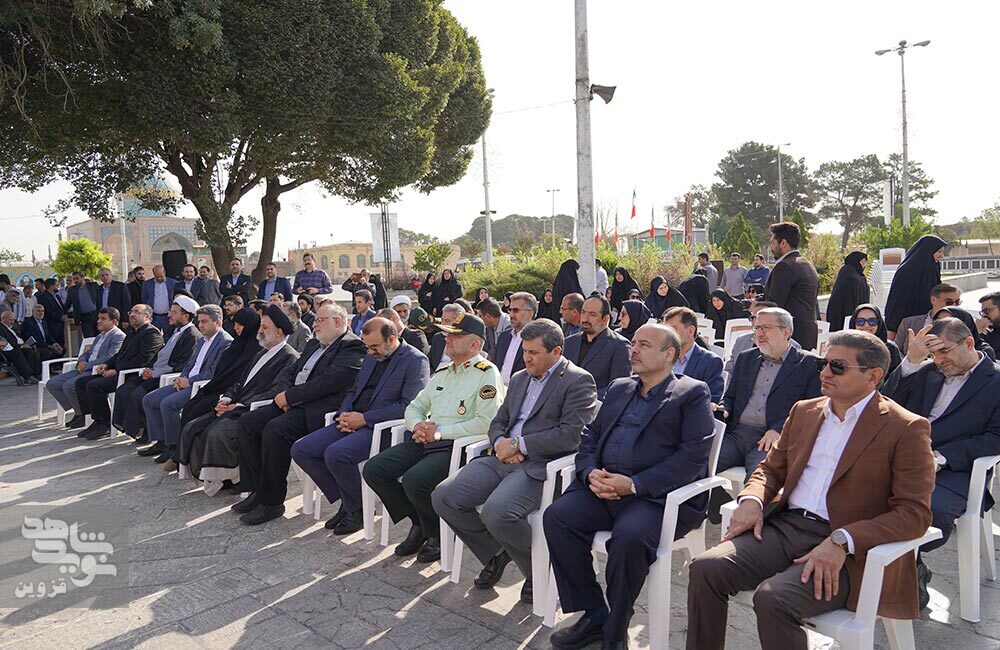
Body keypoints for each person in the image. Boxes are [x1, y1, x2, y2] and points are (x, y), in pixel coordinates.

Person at [687, 329, 935, 650]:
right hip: (786, 528)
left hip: (849, 550)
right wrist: (751, 499)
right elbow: (770, 469)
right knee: (706, 568)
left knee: (774, 599)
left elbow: (914, 514)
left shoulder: (906, 427)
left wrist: (842, 540)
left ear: (873, 376)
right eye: (823, 363)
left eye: (838, 367)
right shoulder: (805, 410)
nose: (825, 372)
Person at [544, 324, 716, 650]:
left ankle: (616, 629)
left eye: (644, 344)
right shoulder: (620, 387)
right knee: (557, 517)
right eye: (633, 343)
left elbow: (693, 457)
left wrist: (635, 485)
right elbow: (590, 436)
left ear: (669, 354)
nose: (633, 349)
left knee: (629, 539)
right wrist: (589, 473)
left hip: (655, 497)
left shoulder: (691, 393)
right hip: (603, 486)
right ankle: (596, 614)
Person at [433, 319, 598, 603]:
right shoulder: (521, 378)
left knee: (497, 513)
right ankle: (498, 552)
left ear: (556, 352)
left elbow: (571, 435)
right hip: (501, 457)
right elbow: (499, 420)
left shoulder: (578, 380)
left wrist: (519, 445)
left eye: (534, 352)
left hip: (540, 465)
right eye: (524, 351)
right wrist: (500, 442)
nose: (527, 358)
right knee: (444, 496)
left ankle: (538, 569)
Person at [362, 313, 504, 563]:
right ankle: (421, 523)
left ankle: (436, 535)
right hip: (426, 440)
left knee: (415, 480)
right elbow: (415, 407)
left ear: (474, 344)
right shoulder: (444, 372)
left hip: (457, 447)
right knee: (375, 470)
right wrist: (417, 425)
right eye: (447, 333)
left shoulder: (486, 373)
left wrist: (439, 432)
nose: (446, 338)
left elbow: (486, 423)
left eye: (455, 335)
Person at [882, 317, 1000, 609]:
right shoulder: (926, 372)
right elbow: (884, 405)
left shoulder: (996, 381)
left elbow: (995, 438)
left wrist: (942, 458)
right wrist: (911, 361)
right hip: (903, 459)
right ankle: (904, 568)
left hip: (955, 469)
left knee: (926, 509)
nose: (938, 360)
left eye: (944, 351)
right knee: (856, 492)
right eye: (932, 353)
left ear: (968, 342)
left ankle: (903, 567)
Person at [292, 317, 430, 533]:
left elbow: (409, 406)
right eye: (367, 347)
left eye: (375, 347)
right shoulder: (370, 356)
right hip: (353, 421)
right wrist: (345, 414)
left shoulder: (415, 360)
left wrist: (365, 419)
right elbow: (353, 391)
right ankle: (350, 502)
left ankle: (355, 509)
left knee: (336, 454)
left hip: (382, 428)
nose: (370, 352)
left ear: (392, 339)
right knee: (302, 449)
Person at [233, 304, 366, 525]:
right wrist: (285, 394)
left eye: (320, 320)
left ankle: (272, 502)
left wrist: (291, 397)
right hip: (292, 402)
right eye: (316, 320)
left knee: (275, 430)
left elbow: (327, 383)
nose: (315, 323)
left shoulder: (352, 347)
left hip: (315, 408)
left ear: (338, 322)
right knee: (248, 422)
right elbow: (290, 371)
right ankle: (257, 490)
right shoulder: (314, 343)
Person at [178, 308, 299, 490]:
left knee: (216, 433)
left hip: (253, 410)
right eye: (261, 326)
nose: (260, 331)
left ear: (279, 332)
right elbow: (239, 383)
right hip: (235, 406)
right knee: (192, 427)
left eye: (265, 327)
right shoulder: (260, 353)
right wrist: (226, 399)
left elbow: (276, 391)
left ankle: (233, 479)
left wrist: (239, 405)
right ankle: (222, 478)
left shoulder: (290, 357)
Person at [717, 307, 820, 481]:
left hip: (771, 439)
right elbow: (730, 397)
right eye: (757, 327)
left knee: (759, 480)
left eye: (766, 328)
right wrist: (723, 408)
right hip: (736, 435)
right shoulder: (746, 358)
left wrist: (779, 429)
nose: (759, 333)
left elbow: (812, 410)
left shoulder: (808, 363)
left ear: (786, 331)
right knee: (696, 466)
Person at [137, 304, 232, 468]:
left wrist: (189, 381)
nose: (200, 325)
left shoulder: (225, 342)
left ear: (218, 322)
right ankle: (161, 441)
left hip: (201, 387)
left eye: (204, 322)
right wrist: (181, 378)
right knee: (149, 399)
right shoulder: (202, 340)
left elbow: (213, 372)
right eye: (199, 322)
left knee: (168, 404)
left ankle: (174, 447)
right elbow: (190, 364)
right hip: (187, 382)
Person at [112, 296, 200, 441]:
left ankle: (146, 433)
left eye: (174, 312)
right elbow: (160, 354)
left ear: (185, 316)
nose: (169, 315)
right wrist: (149, 369)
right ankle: (130, 428)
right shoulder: (173, 330)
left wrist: (155, 373)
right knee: (124, 389)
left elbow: (180, 364)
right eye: (170, 311)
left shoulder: (191, 335)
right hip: (155, 372)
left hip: (166, 376)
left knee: (138, 395)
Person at [74, 304, 165, 441]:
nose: (132, 314)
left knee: (94, 386)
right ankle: (98, 420)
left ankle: (105, 424)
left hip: (132, 375)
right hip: (119, 372)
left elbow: (143, 360)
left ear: (147, 317)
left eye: (136, 312)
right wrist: (107, 364)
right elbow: (120, 354)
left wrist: (116, 371)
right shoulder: (131, 331)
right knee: (81, 383)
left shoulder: (152, 334)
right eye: (131, 311)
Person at [177, 308, 261, 439]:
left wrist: (226, 397)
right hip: (218, 388)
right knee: (190, 406)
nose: (236, 328)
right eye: (235, 324)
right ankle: (180, 449)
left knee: (197, 414)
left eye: (240, 325)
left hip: (232, 395)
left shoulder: (256, 350)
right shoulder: (236, 344)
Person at [51, 308, 126, 427]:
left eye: (103, 318)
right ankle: (79, 410)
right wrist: (81, 361)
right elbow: (88, 352)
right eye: (99, 318)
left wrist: (86, 366)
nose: (99, 321)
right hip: (84, 368)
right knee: (53, 384)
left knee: (69, 386)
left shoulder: (118, 336)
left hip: (95, 370)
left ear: (113, 321)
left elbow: (109, 357)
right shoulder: (100, 336)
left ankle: (83, 414)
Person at [563, 295, 632, 400]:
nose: (585, 319)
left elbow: (620, 387)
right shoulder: (569, 342)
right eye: (583, 312)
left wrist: (585, 398)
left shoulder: (620, 346)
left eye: (592, 314)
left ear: (605, 319)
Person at [765, 221, 820, 350]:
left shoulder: (785, 266)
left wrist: (757, 307)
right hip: (808, 334)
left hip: (790, 336)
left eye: (773, 243)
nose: (771, 248)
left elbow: (775, 306)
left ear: (783, 243)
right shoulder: (808, 265)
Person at [884, 234, 948, 338]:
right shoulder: (908, 270)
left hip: (928, 323)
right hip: (908, 327)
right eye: (939, 251)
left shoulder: (932, 268)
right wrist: (892, 330)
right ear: (928, 250)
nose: (942, 256)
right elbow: (897, 302)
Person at [663, 306, 725, 404]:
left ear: (691, 330)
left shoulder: (710, 362)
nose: (668, 334)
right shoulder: (661, 357)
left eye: (673, 329)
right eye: (666, 330)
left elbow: (711, 400)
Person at [896, 283, 962, 356]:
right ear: (933, 300)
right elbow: (896, 352)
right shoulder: (908, 323)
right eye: (949, 302)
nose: (954, 305)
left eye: (957, 302)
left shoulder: (963, 325)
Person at [496, 292, 538, 386]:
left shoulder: (538, 338)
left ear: (529, 313)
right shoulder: (504, 336)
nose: (511, 315)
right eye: (510, 310)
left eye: (515, 310)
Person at [850, 304, 901, 377]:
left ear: (879, 323)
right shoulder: (845, 347)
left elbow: (896, 377)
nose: (866, 325)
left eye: (872, 321)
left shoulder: (890, 348)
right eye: (860, 321)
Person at [826, 252, 870, 332]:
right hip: (845, 315)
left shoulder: (854, 274)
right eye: (862, 262)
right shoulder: (850, 276)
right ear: (855, 261)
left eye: (865, 262)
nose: (864, 265)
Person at [0, 310, 41, 384]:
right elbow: (5, 343)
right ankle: (28, 376)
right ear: (3, 318)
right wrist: (21, 346)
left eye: (13, 320)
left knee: (29, 350)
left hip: (16, 347)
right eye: (10, 320)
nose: (12, 322)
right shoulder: (1, 328)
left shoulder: (12, 328)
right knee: (17, 353)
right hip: (5, 351)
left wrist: (25, 344)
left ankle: (35, 374)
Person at [20, 304, 64, 372]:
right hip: (34, 346)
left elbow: (48, 336)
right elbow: (35, 339)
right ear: (33, 312)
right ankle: (40, 372)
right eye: (38, 311)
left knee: (62, 349)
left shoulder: (43, 322)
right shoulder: (28, 323)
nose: (41, 313)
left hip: (44, 344)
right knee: (47, 352)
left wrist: (55, 344)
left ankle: (50, 369)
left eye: (42, 311)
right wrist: (50, 346)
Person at [426, 304, 463, 373]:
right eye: (442, 320)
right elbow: (428, 362)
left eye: (447, 321)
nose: (443, 324)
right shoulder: (438, 338)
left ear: (459, 322)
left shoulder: (465, 341)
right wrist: (431, 374)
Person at [141, 265, 178, 331]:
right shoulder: (147, 284)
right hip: (154, 317)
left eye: (161, 276)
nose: (159, 278)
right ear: (153, 274)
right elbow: (144, 299)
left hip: (168, 316)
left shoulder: (173, 283)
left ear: (164, 272)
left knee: (169, 334)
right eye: (157, 277)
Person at [66, 271, 101, 338]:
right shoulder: (72, 290)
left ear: (82, 278)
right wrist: (64, 313)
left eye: (77, 278)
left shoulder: (93, 285)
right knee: (89, 338)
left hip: (96, 315)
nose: (75, 281)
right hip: (84, 318)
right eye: (74, 279)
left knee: (100, 336)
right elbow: (68, 303)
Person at [478, 298, 511, 362]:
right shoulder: (488, 327)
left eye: (480, 316)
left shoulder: (509, 327)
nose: (479, 319)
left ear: (488, 315)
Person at [36, 279, 66, 347]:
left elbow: (62, 308)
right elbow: (48, 311)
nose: (58, 286)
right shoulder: (43, 297)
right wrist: (59, 317)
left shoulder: (57, 296)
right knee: (54, 345)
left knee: (61, 344)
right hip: (51, 325)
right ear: (51, 286)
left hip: (60, 325)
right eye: (56, 285)